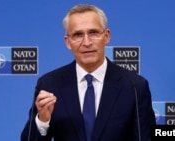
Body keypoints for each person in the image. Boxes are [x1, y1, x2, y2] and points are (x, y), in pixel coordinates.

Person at [21, 3, 156, 141]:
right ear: (68, 42)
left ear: (107, 36)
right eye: (78, 35)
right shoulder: (50, 84)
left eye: (93, 33)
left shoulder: (134, 86)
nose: (86, 42)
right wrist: (42, 121)